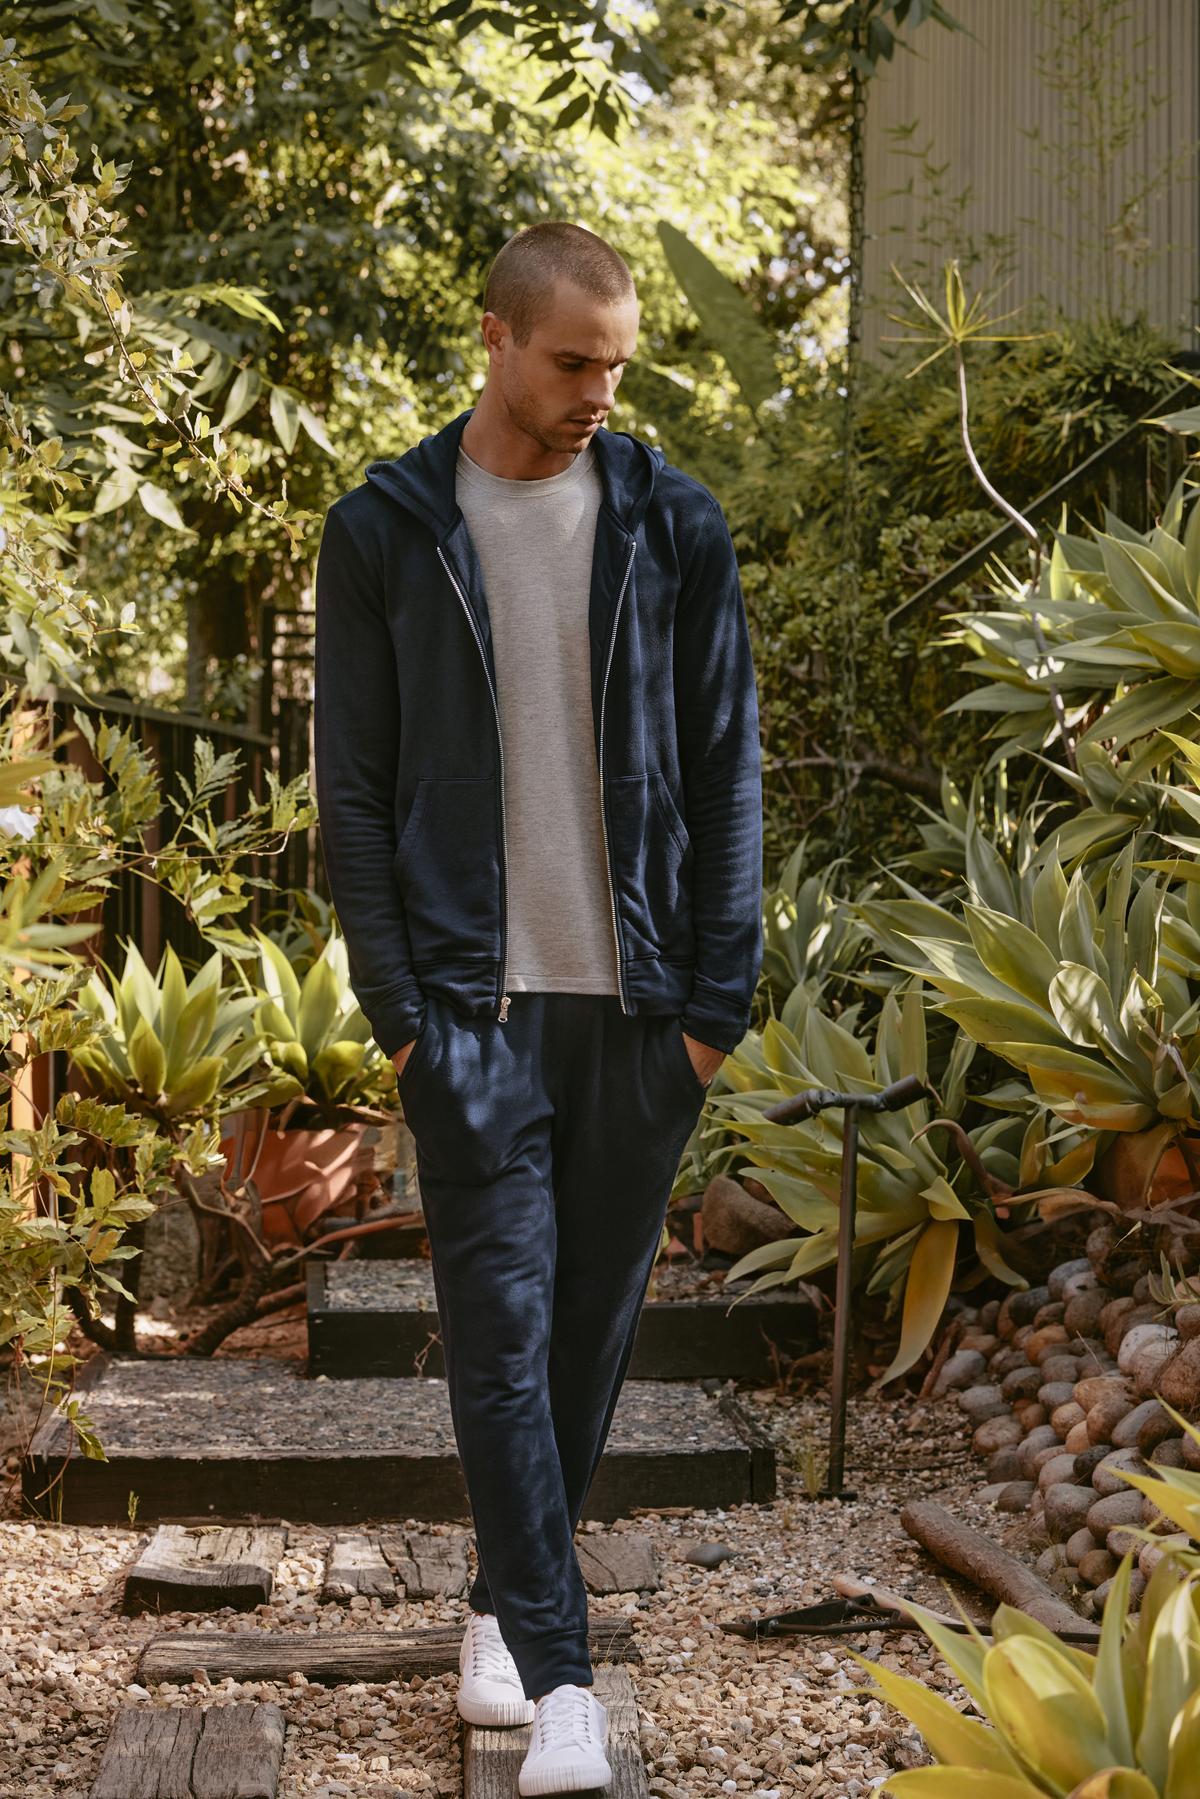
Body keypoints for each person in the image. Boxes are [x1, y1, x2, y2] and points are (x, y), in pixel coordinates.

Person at [313, 220, 763, 1795]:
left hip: (641, 1013)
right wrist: (401, 1016)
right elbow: (352, 799)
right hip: (471, 1009)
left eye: (617, 366)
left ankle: (508, 1603)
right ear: (495, 339)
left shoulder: (670, 522)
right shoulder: (385, 530)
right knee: (501, 1338)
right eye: (573, 362)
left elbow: (728, 768)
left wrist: (717, 1008)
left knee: (582, 1340)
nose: (597, 392)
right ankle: (564, 1683)